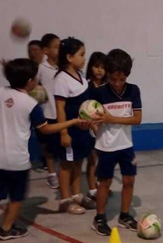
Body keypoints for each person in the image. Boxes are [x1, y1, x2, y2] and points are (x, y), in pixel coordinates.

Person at [0, 59, 86, 243]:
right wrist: (71, 122)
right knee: (16, 198)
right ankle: (6, 230)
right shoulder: (31, 104)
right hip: (16, 161)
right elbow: (47, 129)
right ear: (30, 81)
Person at [90, 49, 142, 236]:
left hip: (126, 145)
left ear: (127, 75)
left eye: (122, 79)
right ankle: (99, 218)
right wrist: (93, 125)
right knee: (105, 182)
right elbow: (90, 117)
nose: (118, 84)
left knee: (129, 180)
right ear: (107, 74)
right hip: (106, 146)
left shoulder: (133, 90)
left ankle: (125, 216)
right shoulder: (99, 93)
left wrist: (112, 119)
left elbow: (137, 119)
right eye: (113, 79)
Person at [54, 37, 96, 214]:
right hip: (70, 129)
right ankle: (65, 199)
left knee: (79, 161)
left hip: (83, 130)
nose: (84, 58)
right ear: (70, 57)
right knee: (66, 164)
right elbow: (60, 108)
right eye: (81, 55)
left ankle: (77, 194)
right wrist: (63, 132)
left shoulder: (81, 76)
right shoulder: (62, 78)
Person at [36, 33, 61, 188]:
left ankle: (66, 173)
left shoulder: (64, 67)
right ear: (46, 50)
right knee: (50, 148)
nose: (59, 50)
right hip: (48, 113)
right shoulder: (41, 68)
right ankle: (52, 174)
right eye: (55, 47)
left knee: (65, 146)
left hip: (63, 113)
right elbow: (32, 85)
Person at [85, 52, 107, 200]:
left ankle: (101, 184)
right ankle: (92, 188)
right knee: (92, 158)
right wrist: (92, 125)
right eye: (96, 66)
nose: (99, 70)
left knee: (103, 158)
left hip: (105, 127)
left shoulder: (108, 86)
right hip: (91, 127)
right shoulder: (86, 86)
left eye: (103, 67)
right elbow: (85, 108)